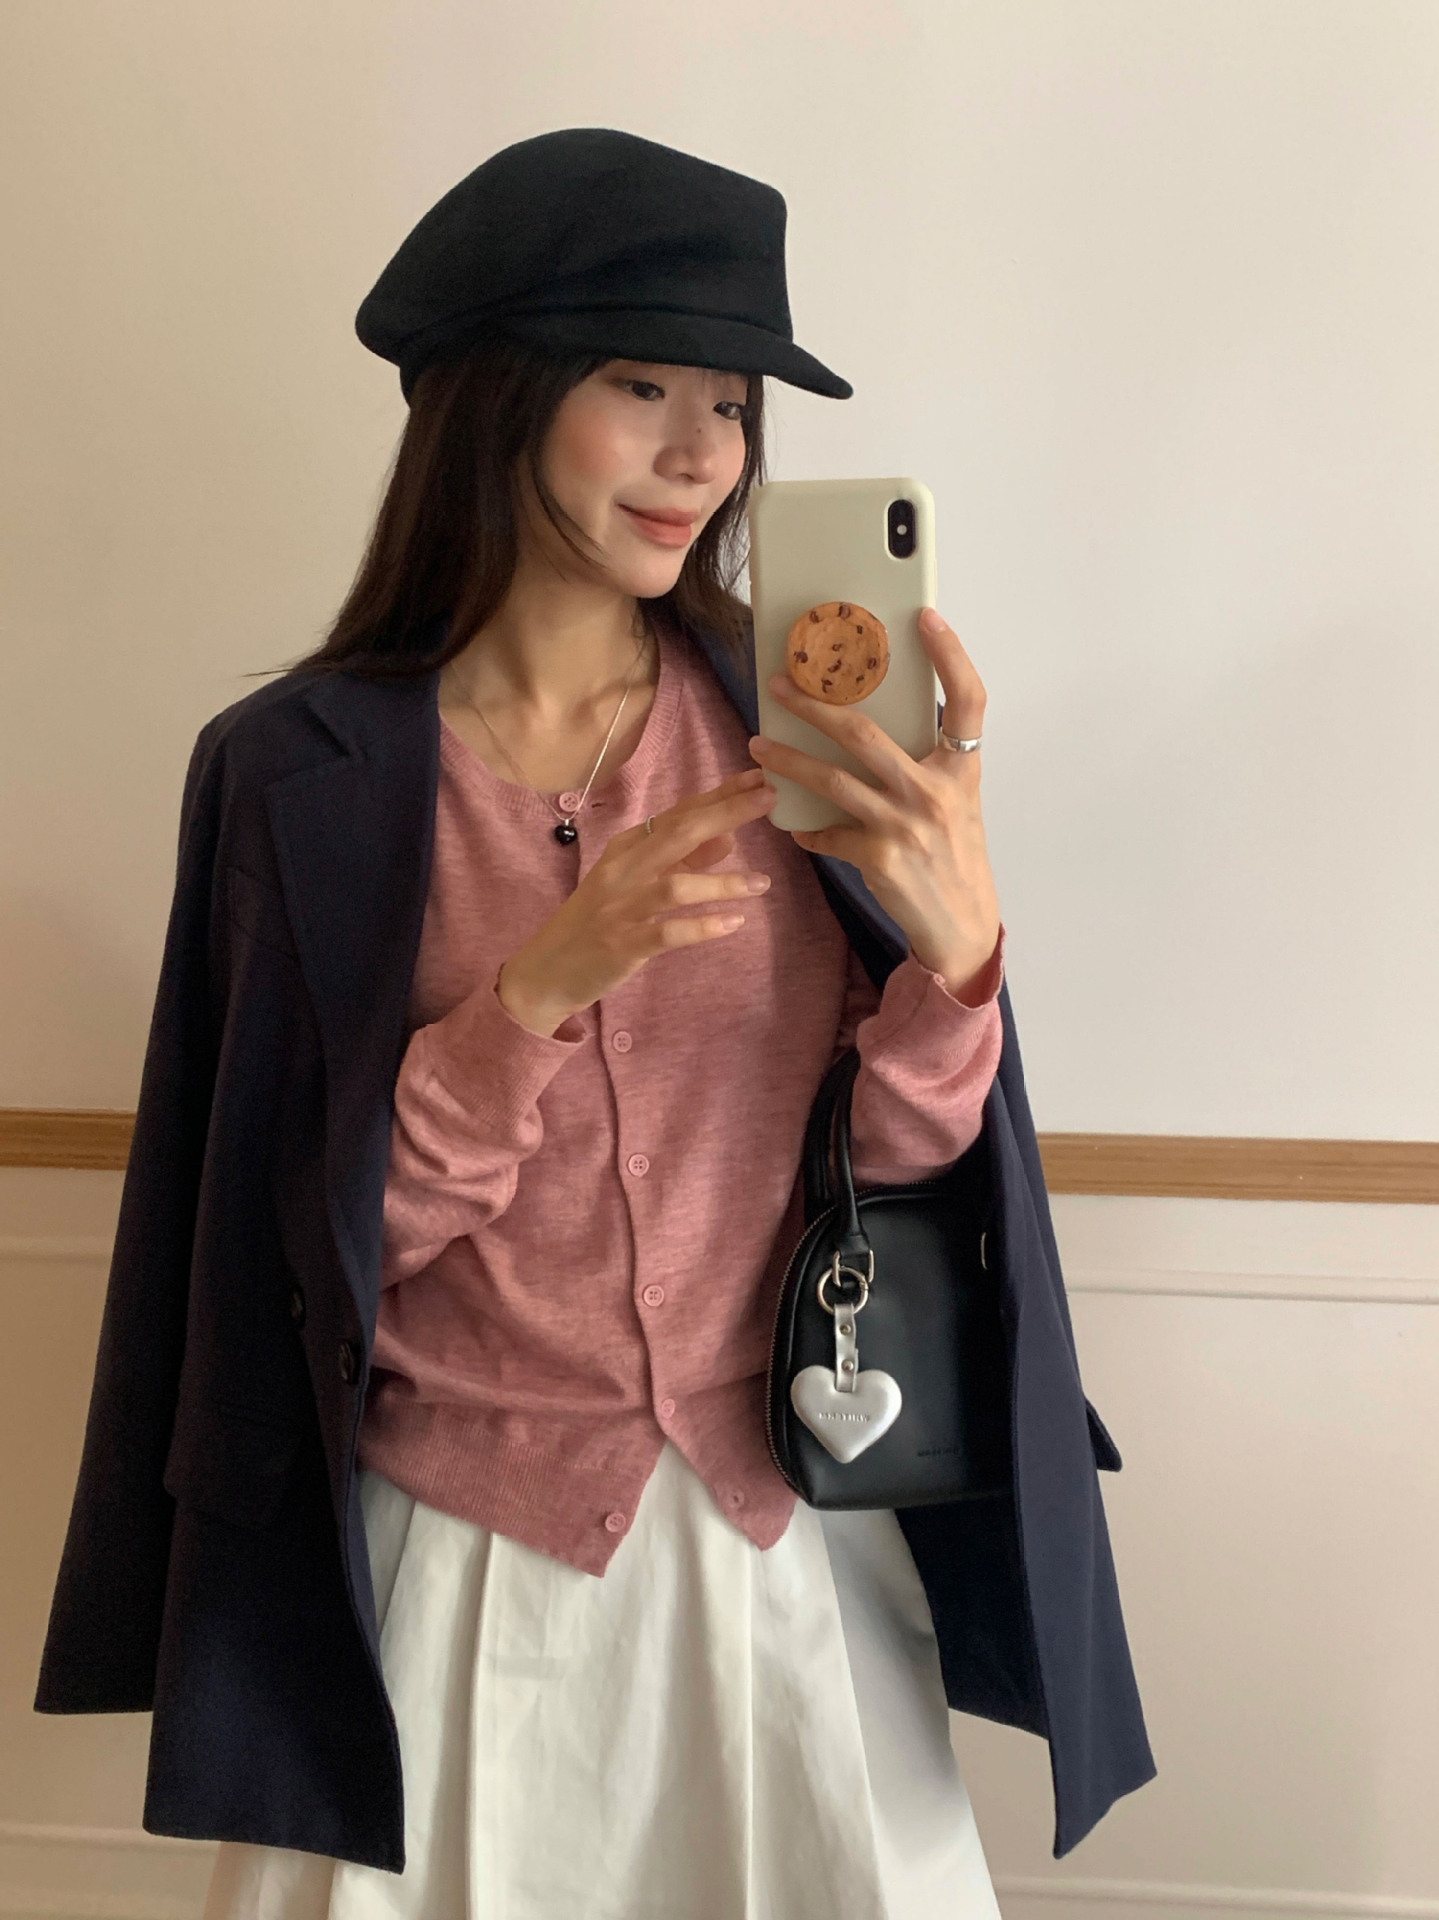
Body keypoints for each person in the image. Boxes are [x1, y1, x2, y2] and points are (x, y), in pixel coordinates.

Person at [34, 128, 1155, 1919]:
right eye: (642, 384)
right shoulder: (291, 776)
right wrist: (538, 991)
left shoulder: (803, 730)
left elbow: (885, 1168)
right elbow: (310, 1252)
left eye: (730, 403)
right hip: (456, 1584)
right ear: (494, 396)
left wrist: (956, 969)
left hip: (785, 1560)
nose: (704, 453)